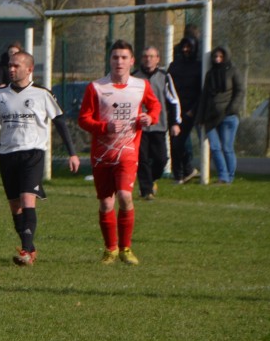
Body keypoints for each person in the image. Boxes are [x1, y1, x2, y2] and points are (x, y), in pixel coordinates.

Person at [0, 51, 80, 266]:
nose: (11, 69)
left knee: (27, 199)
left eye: (16, 66)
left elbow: (60, 123)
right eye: (10, 65)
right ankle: (29, 246)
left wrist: (72, 153)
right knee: (15, 205)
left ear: (29, 69)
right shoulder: (0, 95)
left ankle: (27, 252)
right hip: (7, 154)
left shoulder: (42, 94)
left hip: (33, 153)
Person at [78, 40, 160, 266]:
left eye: (124, 57)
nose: (119, 62)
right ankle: (110, 249)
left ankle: (126, 248)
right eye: (115, 57)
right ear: (110, 60)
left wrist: (150, 117)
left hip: (128, 150)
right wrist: (105, 127)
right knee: (106, 203)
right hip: (102, 154)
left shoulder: (141, 86)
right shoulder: (96, 87)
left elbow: (154, 107)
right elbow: (83, 119)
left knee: (124, 196)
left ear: (132, 61)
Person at [132, 46, 181, 200]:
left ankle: (151, 180)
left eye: (152, 56)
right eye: (145, 56)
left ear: (158, 59)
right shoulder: (134, 77)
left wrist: (175, 123)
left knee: (161, 159)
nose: (148, 59)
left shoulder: (164, 77)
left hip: (159, 125)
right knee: (142, 159)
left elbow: (173, 101)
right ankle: (146, 191)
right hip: (139, 127)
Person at [195, 47, 245, 184]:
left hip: (228, 116)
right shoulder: (210, 74)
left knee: (227, 147)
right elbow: (204, 96)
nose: (217, 59)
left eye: (220, 57)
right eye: (215, 56)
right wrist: (200, 117)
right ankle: (223, 176)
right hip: (211, 117)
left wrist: (231, 109)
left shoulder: (233, 71)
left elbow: (240, 91)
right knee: (215, 147)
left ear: (226, 57)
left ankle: (230, 176)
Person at [168, 26, 202, 184]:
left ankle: (187, 170)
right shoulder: (175, 66)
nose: (186, 49)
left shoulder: (200, 66)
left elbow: (201, 91)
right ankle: (180, 174)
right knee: (175, 143)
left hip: (190, 111)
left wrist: (193, 110)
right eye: (184, 46)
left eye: (189, 47)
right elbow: (168, 87)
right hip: (176, 110)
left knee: (182, 143)